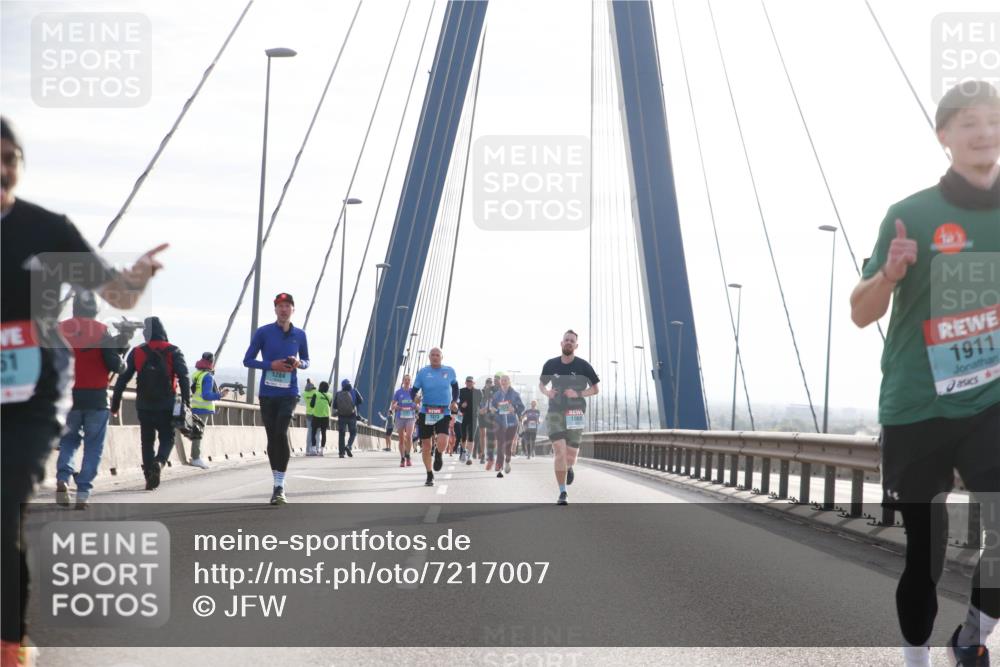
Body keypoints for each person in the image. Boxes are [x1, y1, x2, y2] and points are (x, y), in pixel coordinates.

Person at [0, 116, 167, 665]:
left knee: (4, 506)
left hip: (33, 394)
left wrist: (137, 277)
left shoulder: (47, 230)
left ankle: (9, 645)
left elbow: (116, 295)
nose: (2, 168)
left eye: (10, 157)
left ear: (20, 166)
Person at [849, 81, 1000, 667]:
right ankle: (915, 659)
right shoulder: (909, 215)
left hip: (991, 403)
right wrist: (887, 275)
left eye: (992, 120)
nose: (983, 131)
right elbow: (862, 313)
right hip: (918, 406)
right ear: (944, 138)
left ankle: (972, 637)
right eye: (968, 123)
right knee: (925, 555)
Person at [55, 290, 126, 509]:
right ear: (95, 308)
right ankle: (83, 492)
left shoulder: (59, 329)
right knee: (94, 446)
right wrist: (122, 358)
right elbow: (115, 365)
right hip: (96, 398)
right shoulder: (102, 330)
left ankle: (63, 478)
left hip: (67, 397)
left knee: (68, 441)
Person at [243, 292, 310, 505]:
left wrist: (300, 364)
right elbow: (248, 360)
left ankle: (280, 485)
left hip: (289, 393)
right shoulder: (263, 333)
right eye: (280, 306)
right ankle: (276, 481)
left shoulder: (300, 334)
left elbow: (307, 360)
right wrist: (270, 365)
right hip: (267, 393)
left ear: (293, 309)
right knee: (273, 437)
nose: (284, 309)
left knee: (281, 432)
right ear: (275, 310)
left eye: (287, 305)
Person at [111, 316, 191, 490]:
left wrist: (115, 402)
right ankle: (159, 463)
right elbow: (184, 378)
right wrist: (187, 403)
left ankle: (149, 475)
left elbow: (123, 378)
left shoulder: (138, 351)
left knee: (146, 441)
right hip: (167, 404)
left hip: (144, 405)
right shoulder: (174, 351)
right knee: (167, 437)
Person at [539, 330, 600, 506]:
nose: (568, 343)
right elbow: (541, 384)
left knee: (570, 456)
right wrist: (547, 392)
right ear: (561, 343)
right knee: (559, 450)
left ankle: (570, 467)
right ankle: (562, 492)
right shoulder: (551, 364)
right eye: (566, 340)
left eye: (572, 341)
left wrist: (578, 393)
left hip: (575, 413)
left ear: (576, 345)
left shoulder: (583, 366)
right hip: (555, 412)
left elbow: (595, 389)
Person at [411, 347, 459, 486]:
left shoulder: (449, 371)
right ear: (429, 357)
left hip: (443, 411)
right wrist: (415, 398)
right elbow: (413, 391)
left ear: (442, 357)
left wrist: (454, 401)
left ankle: (438, 454)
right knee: (426, 445)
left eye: (438, 355)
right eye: (432, 355)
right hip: (426, 411)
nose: (435, 357)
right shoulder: (423, 372)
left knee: (443, 440)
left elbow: (455, 388)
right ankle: (429, 474)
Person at [186, 352, 227, 469]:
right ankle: (196, 458)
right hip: (203, 409)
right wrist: (220, 395)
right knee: (198, 433)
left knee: (196, 432)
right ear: (212, 362)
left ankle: (195, 457)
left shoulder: (198, 374)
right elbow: (207, 395)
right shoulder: (208, 376)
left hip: (195, 407)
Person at [489, 373, 525, 478]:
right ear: (500, 382)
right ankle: (499, 467)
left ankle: (508, 461)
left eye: (506, 380)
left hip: (512, 422)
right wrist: (494, 409)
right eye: (502, 380)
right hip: (499, 422)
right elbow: (492, 406)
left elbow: (521, 407)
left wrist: (514, 409)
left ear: (509, 382)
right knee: (501, 444)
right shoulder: (496, 395)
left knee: (508, 445)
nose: (503, 381)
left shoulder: (515, 394)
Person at [391, 374, 417, 467]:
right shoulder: (398, 392)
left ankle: (408, 456)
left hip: (410, 417)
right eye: (405, 379)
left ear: (410, 382)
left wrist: (415, 406)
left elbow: (418, 405)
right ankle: (402, 458)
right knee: (401, 439)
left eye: (408, 380)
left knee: (409, 436)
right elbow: (393, 405)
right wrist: (396, 406)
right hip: (400, 417)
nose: (407, 381)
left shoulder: (413, 392)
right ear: (403, 381)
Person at [335, 378, 364, 457]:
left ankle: (341, 453)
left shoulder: (338, 393)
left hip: (341, 416)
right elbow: (361, 401)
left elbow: (334, 405)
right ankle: (348, 446)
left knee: (341, 434)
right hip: (352, 416)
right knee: (353, 432)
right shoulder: (354, 391)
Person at [458, 376, 481, 465]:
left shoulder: (478, 392)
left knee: (471, 437)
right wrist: (461, 405)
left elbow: (480, 404)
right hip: (464, 416)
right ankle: (463, 451)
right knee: (463, 436)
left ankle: (469, 456)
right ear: (465, 382)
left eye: (471, 381)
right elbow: (457, 403)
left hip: (474, 416)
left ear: (474, 382)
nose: (469, 383)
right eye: (468, 381)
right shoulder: (461, 391)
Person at [310, 381, 332, 455]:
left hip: (316, 415)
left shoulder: (316, 394)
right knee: (324, 433)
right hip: (325, 416)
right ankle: (322, 450)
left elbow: (311, 405)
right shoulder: (329, 395)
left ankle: (313, 449)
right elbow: (330, 404)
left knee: (313, 433)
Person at [479, 376, 496, 468]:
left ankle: (490, 454)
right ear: (485, 383)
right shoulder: (481, 392)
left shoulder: (496, 392)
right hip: (482, 414)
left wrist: (495, 409)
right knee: (482, 434)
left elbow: (501, 404)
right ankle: (482, 454)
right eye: (488, 382)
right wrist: (480, 410)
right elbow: (477, 404)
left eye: (491, 382)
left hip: (491, 416)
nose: (489, 384)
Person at [303, 378, 319, 455]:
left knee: (309, 432)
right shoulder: (316, 393)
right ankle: (316, 449)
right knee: (317, 433)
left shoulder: (305, 393)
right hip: (316, 414)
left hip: (308, 414)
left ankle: (307, 450)